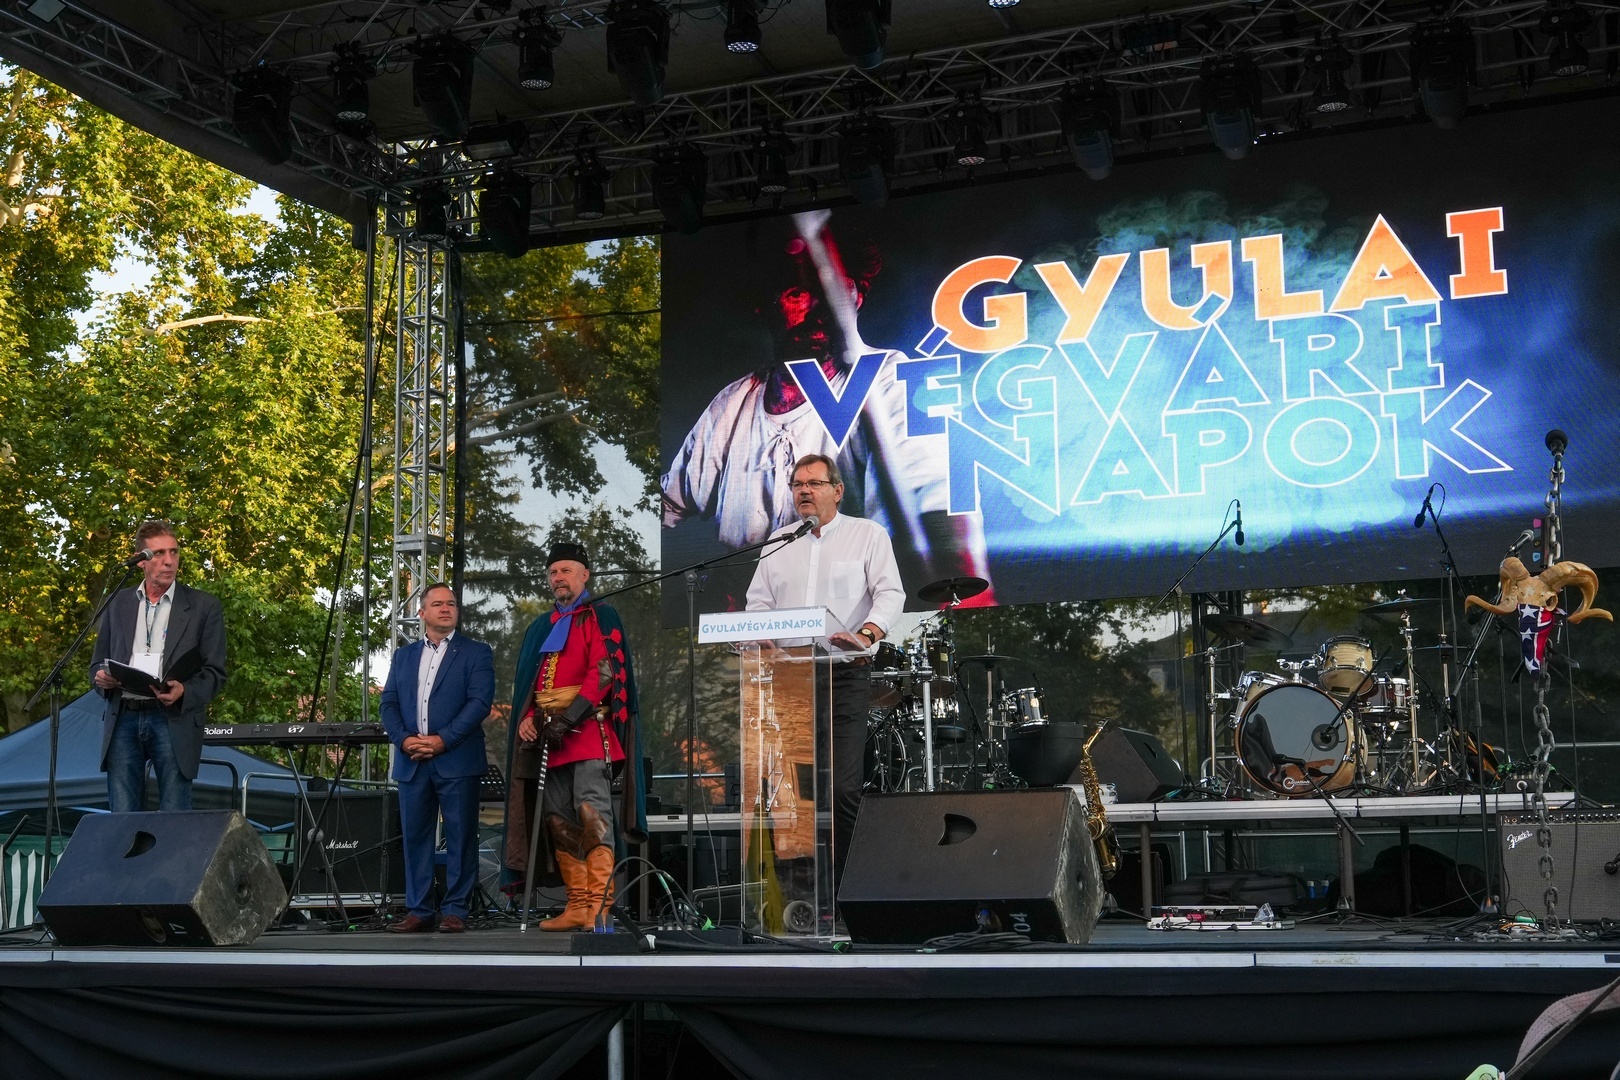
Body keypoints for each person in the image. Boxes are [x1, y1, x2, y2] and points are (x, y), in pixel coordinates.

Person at [661, 210, 994, 607]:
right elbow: (667, 507)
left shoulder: (892, 378)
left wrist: (959, 593)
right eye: (797, 293)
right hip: (752, 628)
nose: (820, 308)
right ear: (765, 305)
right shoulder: (733, 404)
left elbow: (934, 499)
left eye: (837, 290)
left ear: (857, 297)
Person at [745, 453, 905, 891]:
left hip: (845, 673)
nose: (804, 491)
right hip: (792, 677)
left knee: (843, 788)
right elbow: (758, 602)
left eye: (813, 483)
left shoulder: (867, 534)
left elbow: (890, 593)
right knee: (800, 792)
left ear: (837, 490)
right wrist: (762, 635)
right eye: (798, 484)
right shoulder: (779, 541)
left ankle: (850, 890)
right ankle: (807, 894)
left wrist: (866, 634)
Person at [504, 541, 647, 932]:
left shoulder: (600, 614)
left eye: (565, 570)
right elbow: (532, 684)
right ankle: (578, 905)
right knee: (559, 821)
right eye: (553, 572)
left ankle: (601, 907)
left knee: (592, 816)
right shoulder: (542, 625)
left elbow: (605, 672)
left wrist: (568, 718)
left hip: (586, 733)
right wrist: (527, 718)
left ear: (585, 575)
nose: (558, 578)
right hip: (549, 739)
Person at [379, 584, 494, 934]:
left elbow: (479, 703)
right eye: (438, 604)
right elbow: (389, 703)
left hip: (457, 758)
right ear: (422, 613)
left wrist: (443, 740)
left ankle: (456, 909)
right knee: (415, 838)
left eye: (451, 604)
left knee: (461, 836)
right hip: (412, 760)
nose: (446, 608)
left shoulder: (476, 652)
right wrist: (404, 740)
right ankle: (419, 910)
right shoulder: (403, 656)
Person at [89, 520, 227, 813]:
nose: (169, 560)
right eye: (159, 553)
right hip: (123, 715)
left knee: (174, 816)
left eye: (174, 552)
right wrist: (101, 678)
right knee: (122, 817)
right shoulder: (117, 602)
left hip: (172, 717)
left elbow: (215, 672)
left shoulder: (203, 606)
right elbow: (97, 664)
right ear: (140, 561)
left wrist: (184, 690)